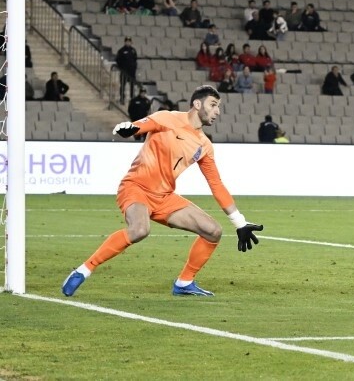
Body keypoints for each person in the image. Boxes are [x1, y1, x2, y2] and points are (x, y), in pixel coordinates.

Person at [61, 85, 264, 297]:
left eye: (219, 107)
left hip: (164, 197)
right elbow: (139, 126)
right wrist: (129, 128)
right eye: (213, 105)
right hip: (136, 188)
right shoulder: (167, 118)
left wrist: (239, 222)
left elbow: (216, 184)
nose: (217, 111)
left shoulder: (204, 145)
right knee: (140, 229)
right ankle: (83, 270)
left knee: (213, 231)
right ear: (197, 104)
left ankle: (184, 283)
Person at [116, 36, 138, 104]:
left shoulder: (133, 50)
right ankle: (122, 98)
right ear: (125, 42)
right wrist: (122, 68)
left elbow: (135, 60)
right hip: (124, 71)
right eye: (127, 41)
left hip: (131, 71)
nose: (128, 43)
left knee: (132, 86)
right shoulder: (121, 51)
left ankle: (132, 98)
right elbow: (118, 60)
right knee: (123, 85)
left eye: (129, 41)